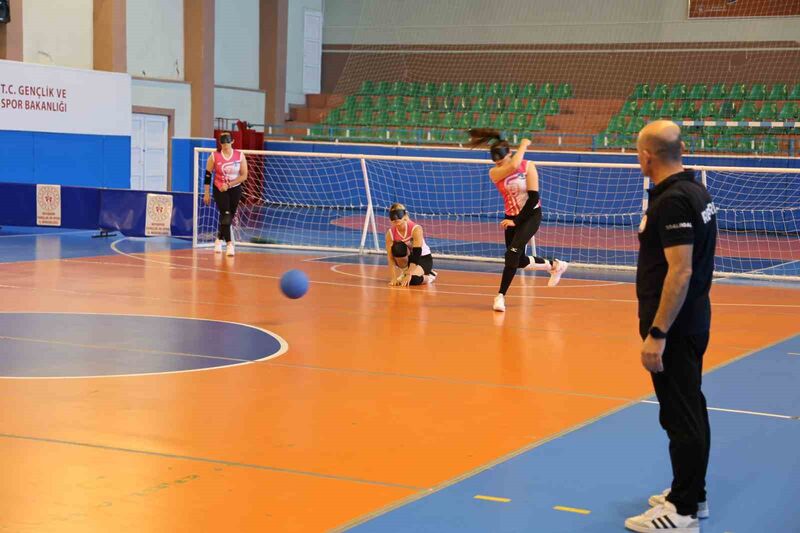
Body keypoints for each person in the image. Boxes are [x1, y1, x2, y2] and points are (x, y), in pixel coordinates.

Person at [625, 120, 717, 533]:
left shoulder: (674, 201)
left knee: (680, 415)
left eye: (637, 152)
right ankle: (692, 492)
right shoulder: (694, 189)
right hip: (694, 319)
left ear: (648, 155)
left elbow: (679, 273)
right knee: (690, 407)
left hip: (676, 328)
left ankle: (682, 512)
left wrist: (658, 333)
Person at [467, 128, 568, 312]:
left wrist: (517, 221)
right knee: (518, 260)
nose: (498, 163)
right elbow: (512, 166)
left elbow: (534, 198)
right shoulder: (495, 172)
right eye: (495, 161)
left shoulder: (528, 166)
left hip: (530, 215)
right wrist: (523, 144)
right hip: (510, 216)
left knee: (511, 255)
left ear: (510, 154)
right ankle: (554, 265)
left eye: (501, 159)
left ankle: (500, 296)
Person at [203, 131, 248, 256]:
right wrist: (206, 193)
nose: (225, 146)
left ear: (232, 142)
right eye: (222, 143)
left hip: (234, 189)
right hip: (219, 189)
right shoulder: (214, 156)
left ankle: (218, 239)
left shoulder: (239, 156)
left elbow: (244, 175)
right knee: (226, 214)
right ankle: (229, 244)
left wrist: (229, 185)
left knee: (229, 216)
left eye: (227, 143)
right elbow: (207, 175)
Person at [385, 203, 437, 287]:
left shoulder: (416, 229)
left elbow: (417, 254)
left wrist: (409, 274)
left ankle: (429, 276)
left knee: (413, 280)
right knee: (397, 248)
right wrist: (393, 278)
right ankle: (404, 271)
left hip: (422, 258)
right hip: (408, 258)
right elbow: (390, 257)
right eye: (392, 216)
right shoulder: (390, 233)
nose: (396, 219)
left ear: (405, 215)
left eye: (398, 215)